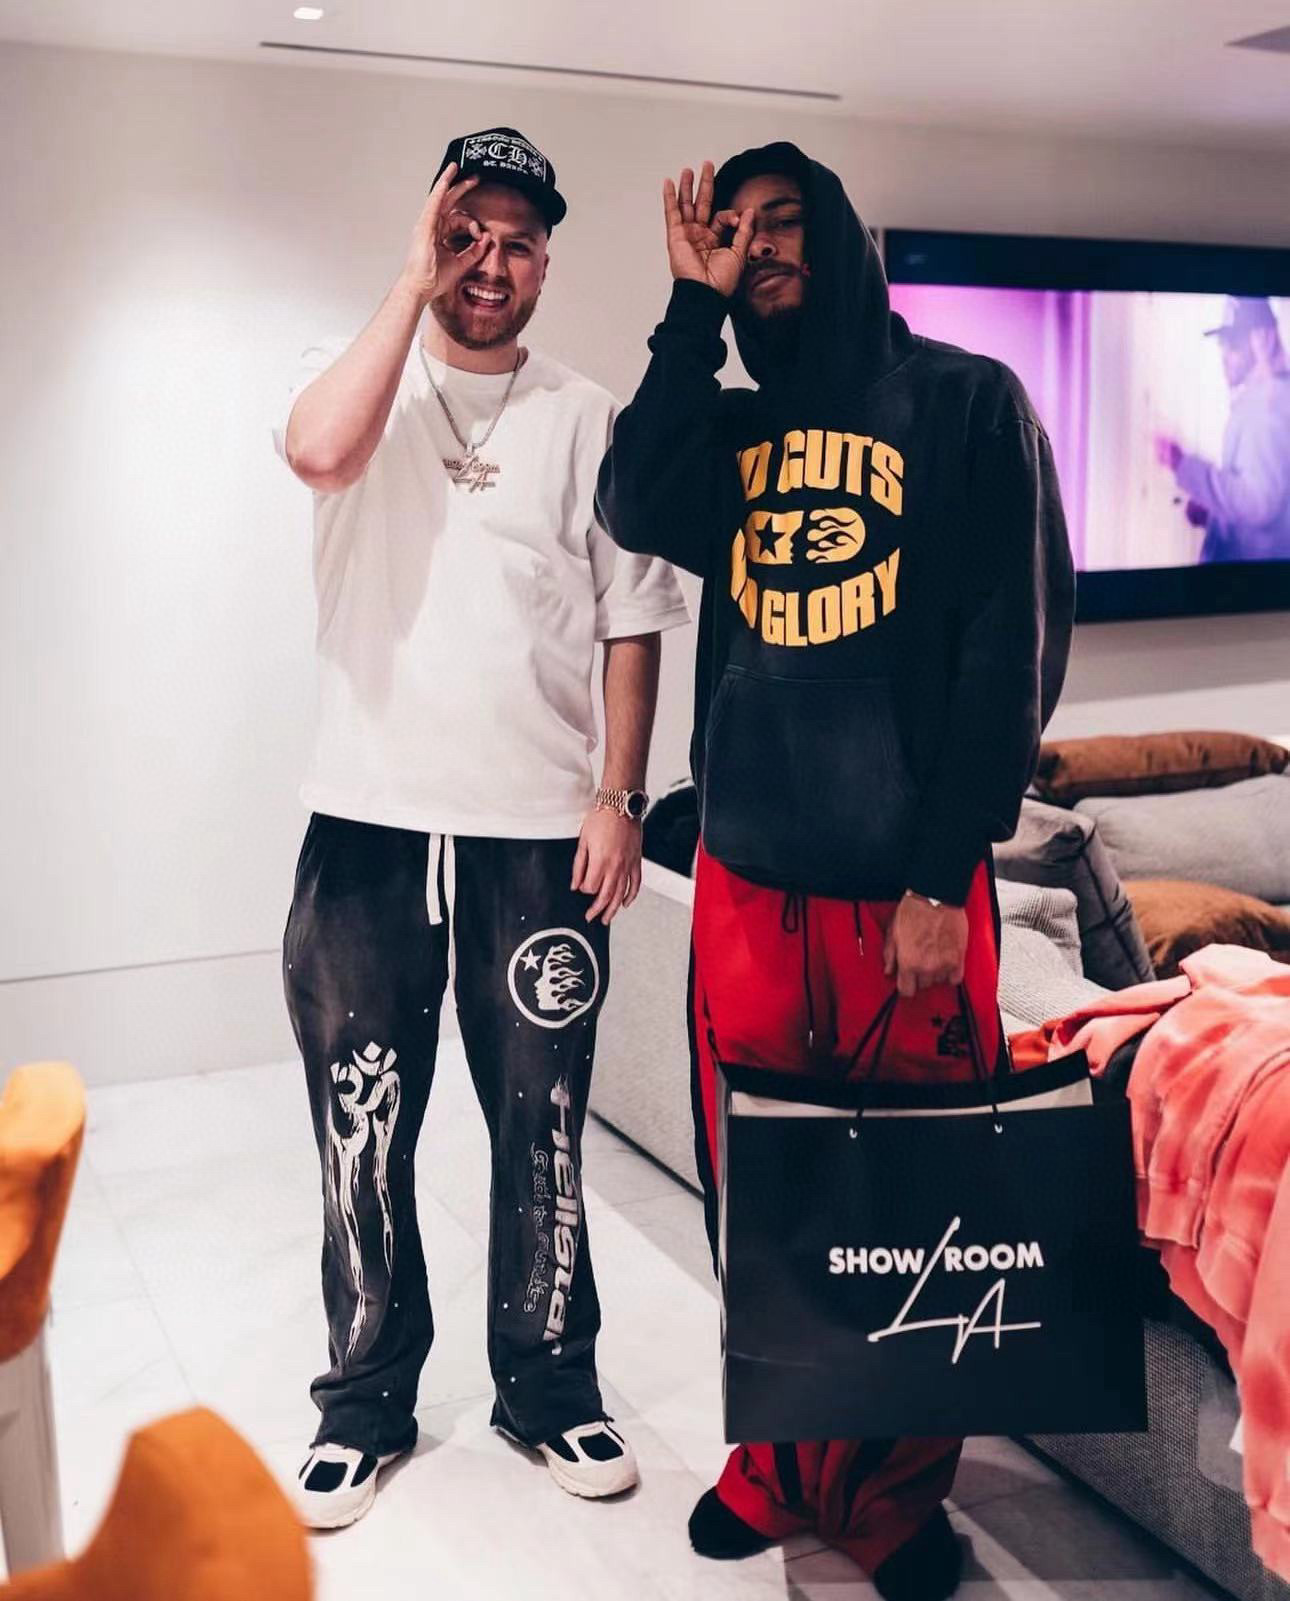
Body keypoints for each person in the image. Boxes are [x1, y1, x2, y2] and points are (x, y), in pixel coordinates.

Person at [597, 144, 1074, 1599]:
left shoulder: (967, 402)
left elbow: (1008, 650)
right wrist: (687, 311)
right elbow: (631, 499)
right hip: (750, 883)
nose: (762, 245)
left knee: (913, 1196)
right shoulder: (733, 432)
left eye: (787, 220)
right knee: (764, 1190)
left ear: (848, 239)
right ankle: (776, 1463)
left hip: (904, 896)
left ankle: (889, 1496)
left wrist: (942, 870)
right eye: (737, 230)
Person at [272, 126, 690, 1529]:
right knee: (362, 1127)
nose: (489, 263)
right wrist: (408, 285)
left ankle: (549, 1386)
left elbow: (632, 622)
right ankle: (363, 1400)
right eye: (466, 234)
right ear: (430, 236)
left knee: (543, 1124)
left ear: (547, 261)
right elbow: (316, 452)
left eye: (517, 241)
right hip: (370, 826)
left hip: (538, 835)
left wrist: (619, 798)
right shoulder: (362, 377)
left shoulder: (588, 416)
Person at [1156, 296, 1290, 562]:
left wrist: (1182, 464)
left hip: (1246, 581)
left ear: (1262, 340)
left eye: (1234, 343)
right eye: (1222, 344)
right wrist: (1214, 518)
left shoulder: (1270, 402)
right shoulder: (1265, 398)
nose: (1224, 355)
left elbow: (1258, 503)